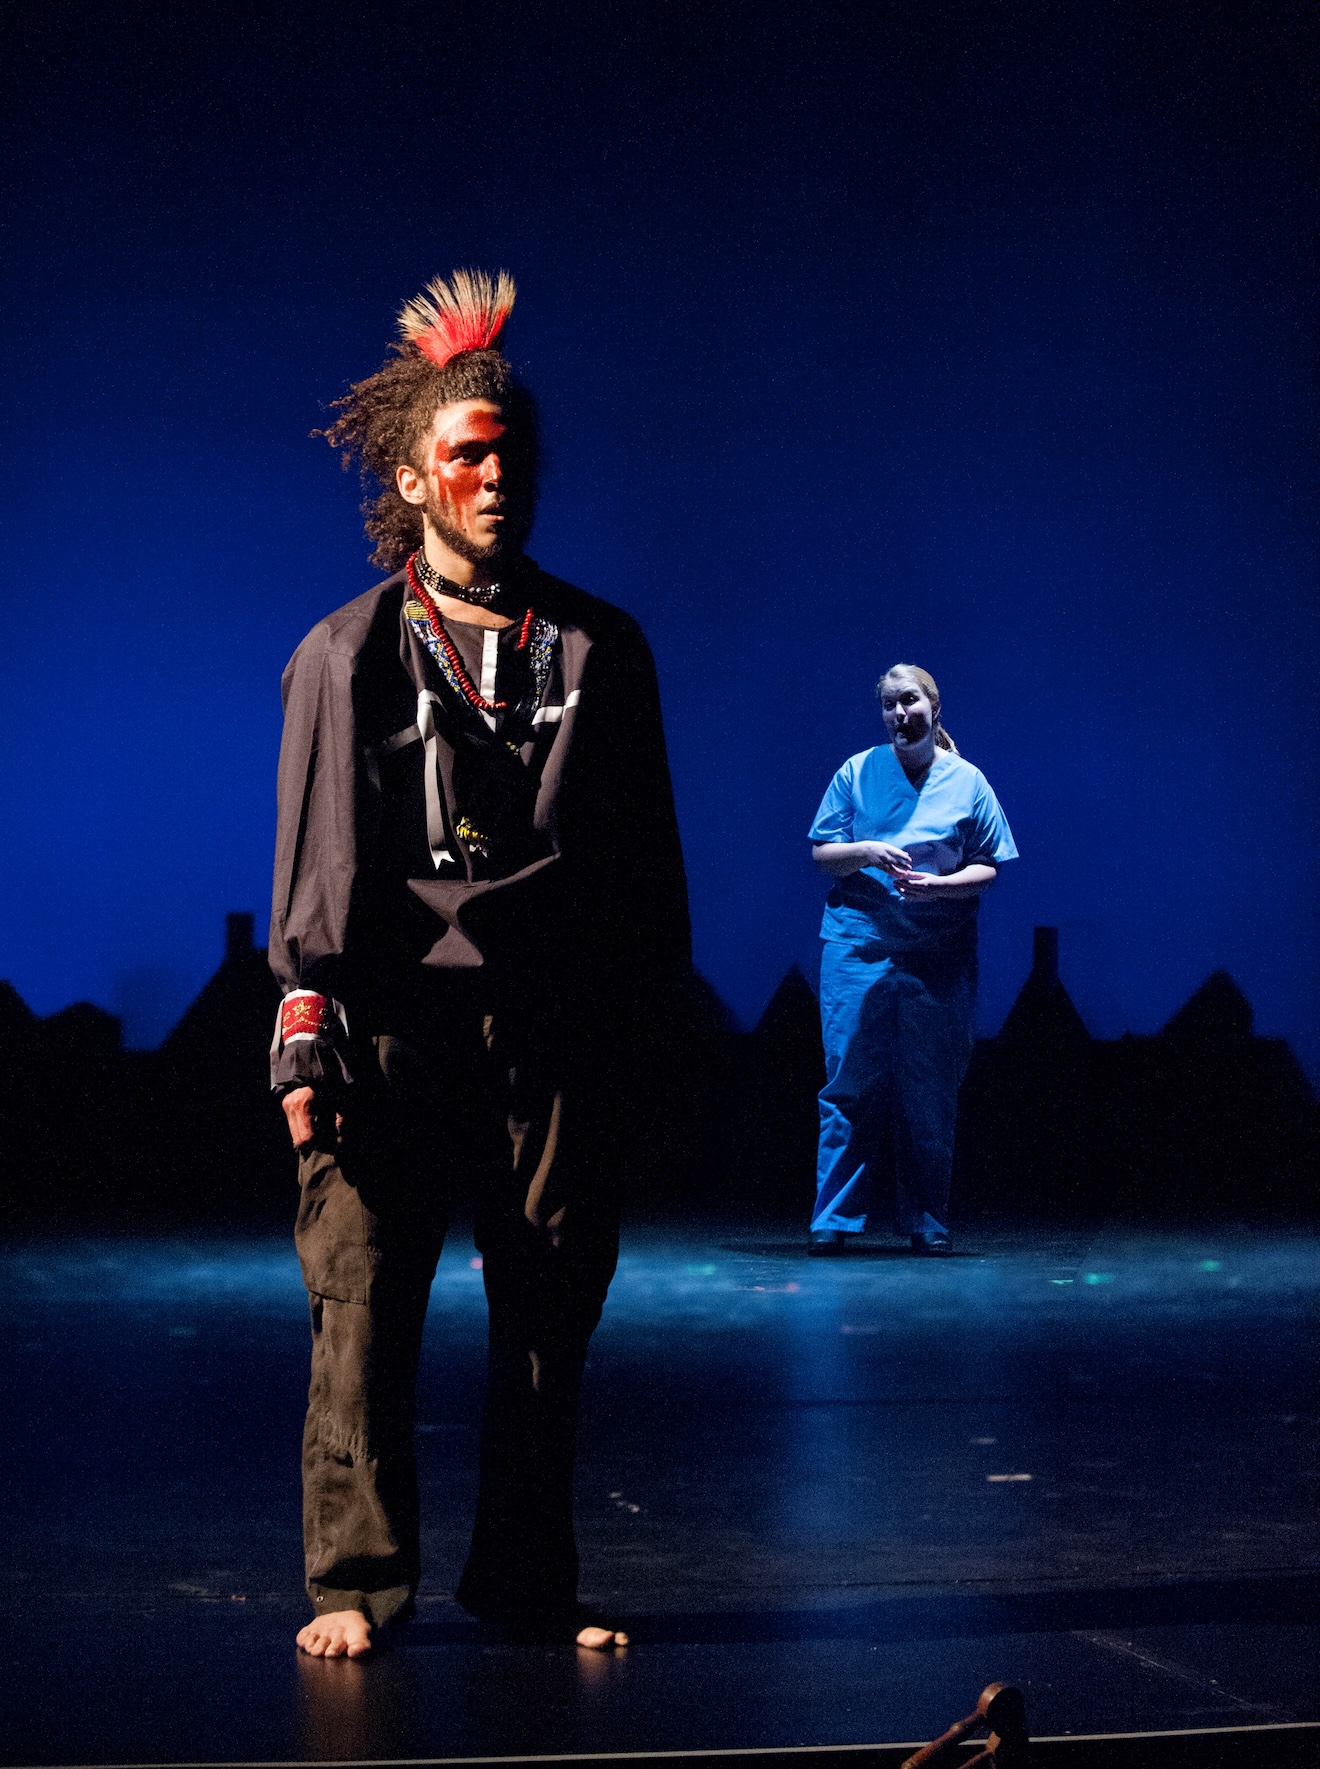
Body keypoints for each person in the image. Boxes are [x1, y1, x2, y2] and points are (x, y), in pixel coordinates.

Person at [269, 270, 690, 1658]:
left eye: (514, 453)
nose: (498, 476)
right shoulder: (347, 656)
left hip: (552, 1035)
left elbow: (644, 873)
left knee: (545, 1310)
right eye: (469, 454)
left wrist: (645, 1038)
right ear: (415, 475)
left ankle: (526, 1575)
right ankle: (357, 1580)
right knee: (366, 1303)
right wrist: (305, 1039)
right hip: (395, 1033)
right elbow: (321, 871)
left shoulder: (600, 649)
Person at [806, 664, 1017, 1257]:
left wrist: (938, 887)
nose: (900, 714)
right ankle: (835, 1220)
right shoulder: (858, 771)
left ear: (934, 706)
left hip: (937, 953)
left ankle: (927, 1220)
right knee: (849, 1082)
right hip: (860, 945)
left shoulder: (968, 781)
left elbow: (990, 866)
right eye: (889, 705)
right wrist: (868, 850)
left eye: (910, 702)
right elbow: (823, 853)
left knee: (930, 1089)